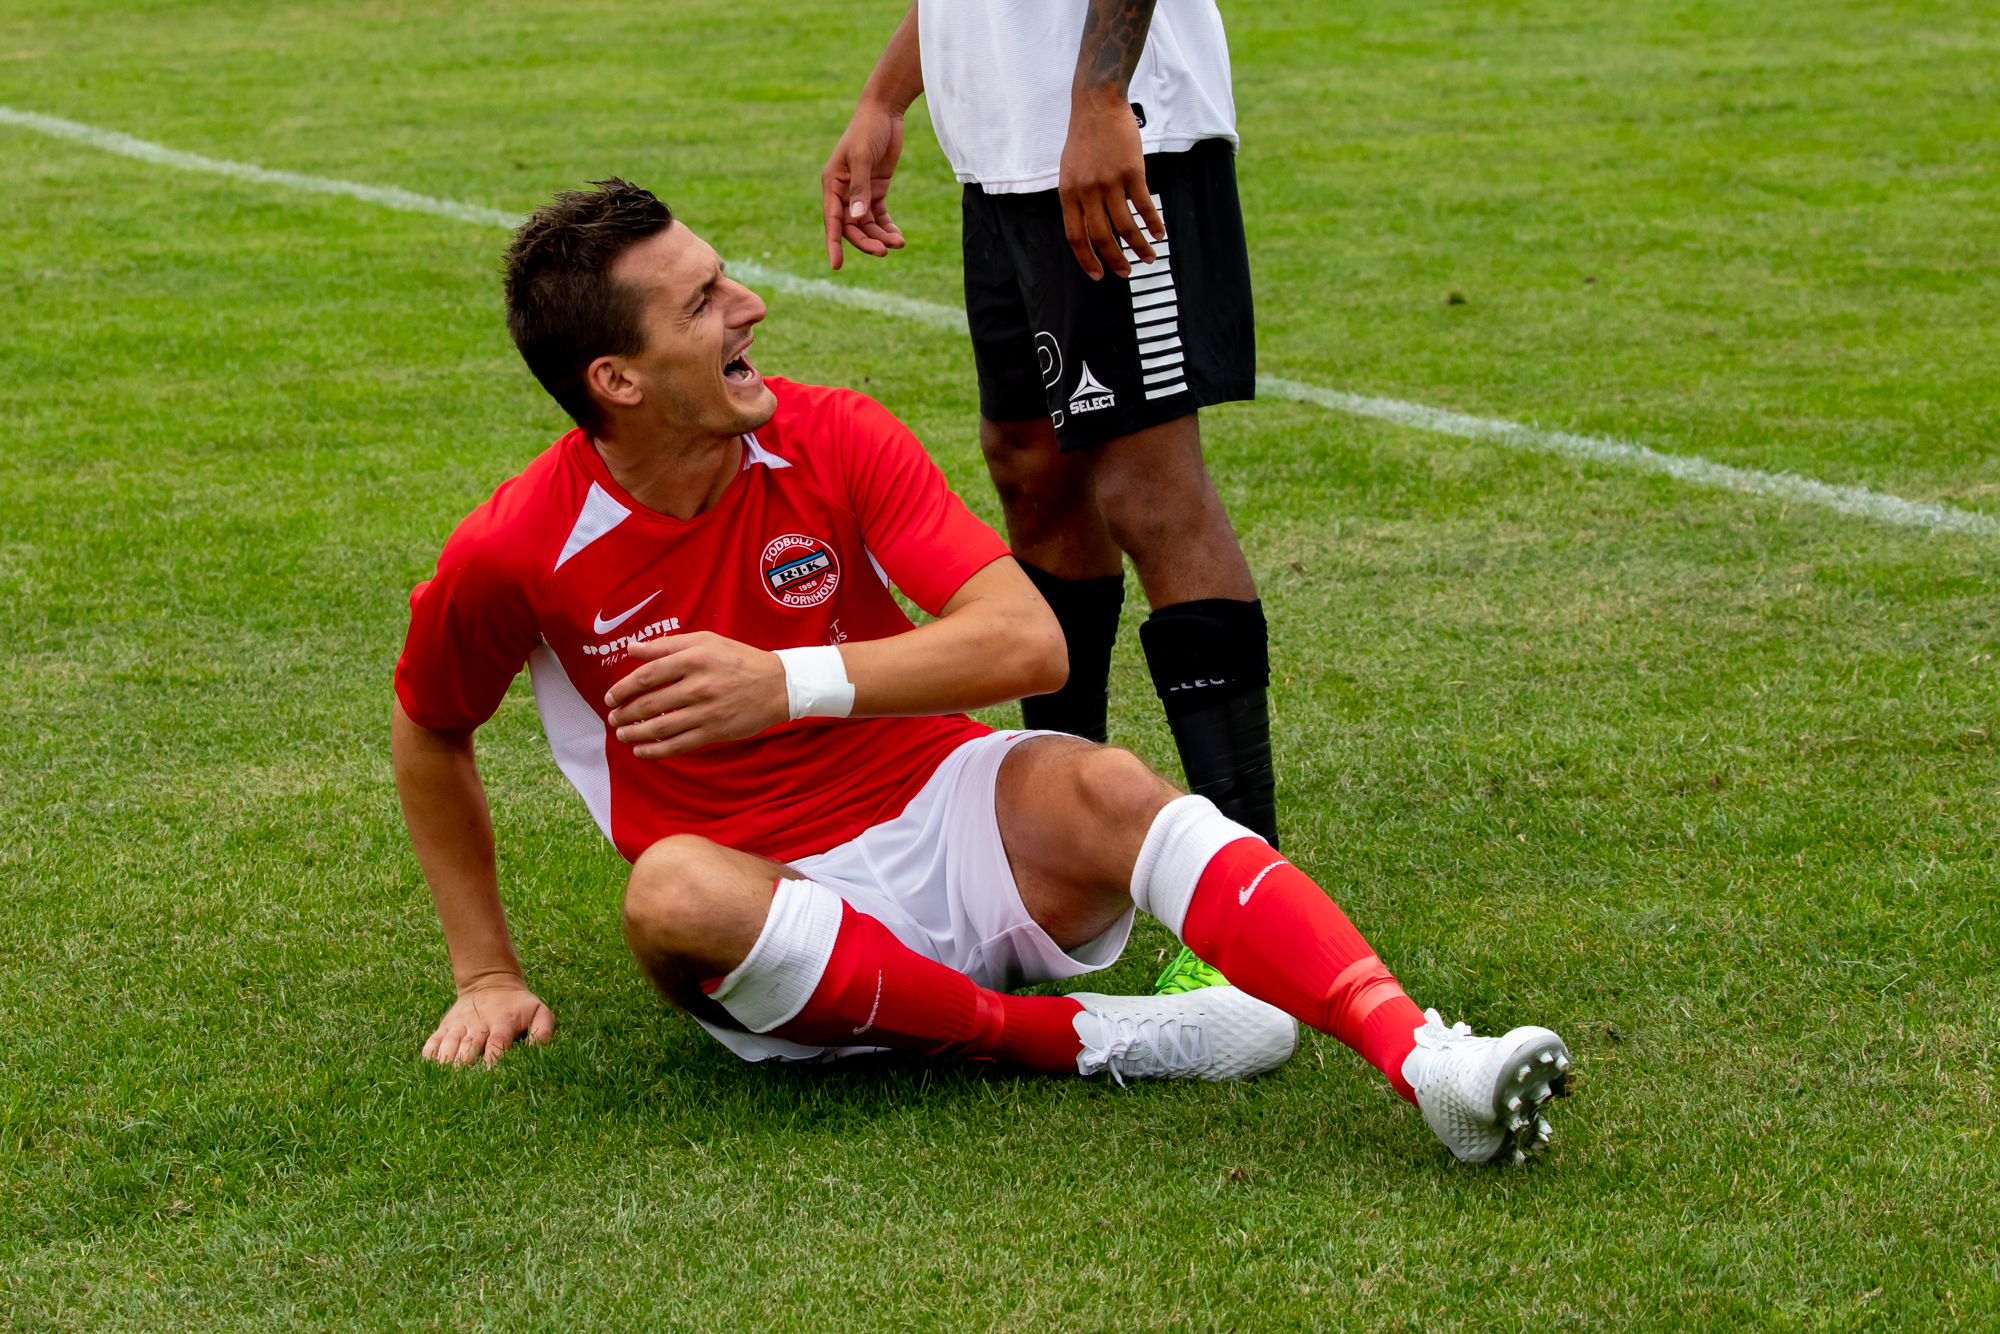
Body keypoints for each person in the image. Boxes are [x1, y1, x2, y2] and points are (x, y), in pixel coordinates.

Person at [391, 180, 1571, 1164]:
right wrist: (485, 971)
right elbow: (431, 728)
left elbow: (1027, 642)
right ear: (618, 380)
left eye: (724, 277)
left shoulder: (831, 431)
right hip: (773, 918)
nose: (749, 305)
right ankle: (1077, 1036)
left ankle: (1425, 1057)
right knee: (670, 896)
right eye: (701, 303)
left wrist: (786, 680)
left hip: (947, 822)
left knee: (1106, 781)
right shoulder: (516, 546)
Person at [820, 0, 1281, 853]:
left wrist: (1100, 98)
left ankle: (1248, 875)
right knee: (1030, 467)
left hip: (1115, 132)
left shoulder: (1104, 110)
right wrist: (885, 97)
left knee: (1145, 489)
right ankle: (1074, 835)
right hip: (1004, 151)